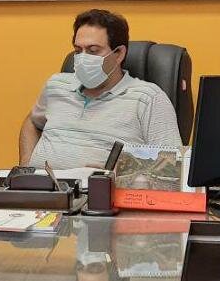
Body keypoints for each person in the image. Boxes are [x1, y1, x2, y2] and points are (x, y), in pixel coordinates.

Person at [19, 9, 182, 169]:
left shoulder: (148, 99)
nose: (83, 58)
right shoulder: (56, 84)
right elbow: (32, 122)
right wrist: (25, 164)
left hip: (99, 187)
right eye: (78, 51)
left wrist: (121, 174)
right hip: (39, 185)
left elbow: (170, 166)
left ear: (119, 54)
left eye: (93, 51)